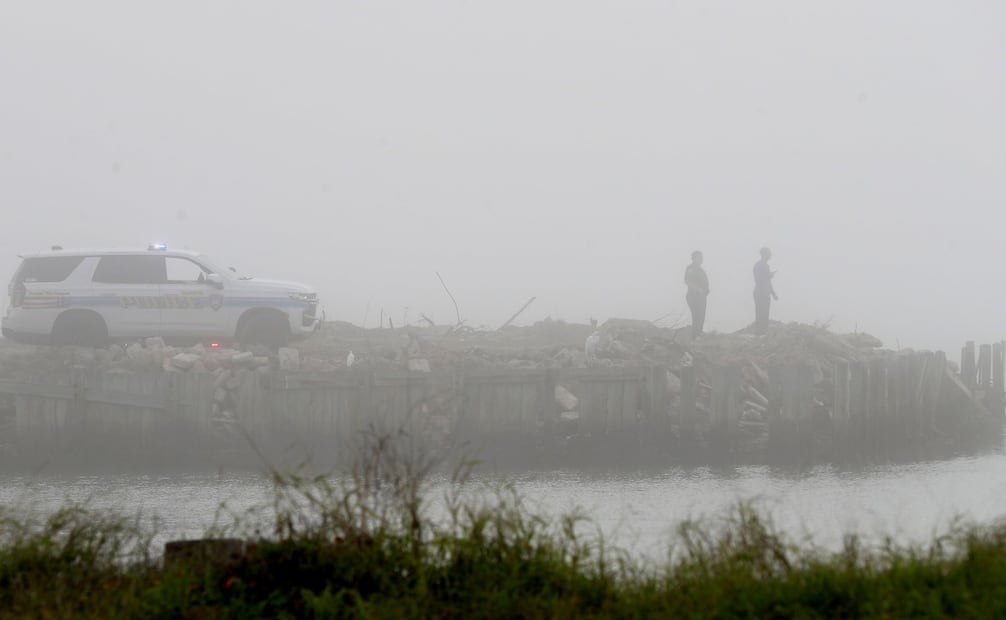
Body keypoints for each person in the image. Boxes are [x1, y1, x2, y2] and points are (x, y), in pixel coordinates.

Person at [684, 250, 709, 339]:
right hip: (693, 296)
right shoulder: (690, 268)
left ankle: (699, 335)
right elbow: (687, 281)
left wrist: (706, 291)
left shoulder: (701, 270)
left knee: (701, 315)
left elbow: (705, 284)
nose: (701, 259)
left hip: (702, 297)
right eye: (699, 257)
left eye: (702, 258)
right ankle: (695, 336)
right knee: (696, 315)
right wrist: (698, 289)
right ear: (694, 258)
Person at [753, 247, 778, 334]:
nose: (770, 255)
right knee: (760, 314)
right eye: (769, 253)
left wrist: (773, 294)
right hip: (760, 293)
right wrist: (768, 276)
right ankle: (759, 333)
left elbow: (768, 282)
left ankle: (763, 333)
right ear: (764, 254)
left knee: (765, 314)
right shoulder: (758, 265)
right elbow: (758, 280)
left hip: (765, 293)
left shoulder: (766, 266)